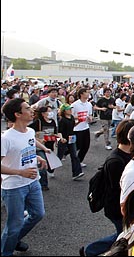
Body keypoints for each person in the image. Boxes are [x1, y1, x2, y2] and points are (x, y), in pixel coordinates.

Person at [81, 119, 134, 256]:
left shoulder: (128, 155)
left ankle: (89, 250)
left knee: (124, 234)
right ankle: (89, 250)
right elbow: (119, 191)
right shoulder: (116, 161)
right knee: (124, 237)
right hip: (117, 208)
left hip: (121, 207)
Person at [1, 98, 49, 256]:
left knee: (38, 214)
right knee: (14, 224)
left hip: (33, 182)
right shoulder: (6, 138)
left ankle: (12, 240)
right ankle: (5, 250)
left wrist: (37, 158)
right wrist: (20, 172)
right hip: (14, 187)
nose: (32, 111)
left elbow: (26, 150)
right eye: (28, 108)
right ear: (17, 114)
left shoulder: (30, 132)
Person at [57, 103, 84, 180]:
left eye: (70, 109)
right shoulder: (62, 120)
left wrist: (78, 122)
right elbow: (59, 131)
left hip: (72, 138)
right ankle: (50, 169)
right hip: (64, 139)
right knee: (59, 156)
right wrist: (61, 138)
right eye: (68, 109)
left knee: (74, 155)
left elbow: (72, 126)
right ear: (64, 111)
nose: (70, 110)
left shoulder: (71, 117)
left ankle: (76, 173)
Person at [72, 88, 94, 167]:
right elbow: (70, 116)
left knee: (86, 146)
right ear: (81, 94)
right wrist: (79, 117)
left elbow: (90, 114)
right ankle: (65, 152)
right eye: (86, 92)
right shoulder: (75, 104)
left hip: (85, 127)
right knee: (78, 146)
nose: (88, 94)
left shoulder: (89, 104)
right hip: (77, 128)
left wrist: (90, 118)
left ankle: (79, 160)